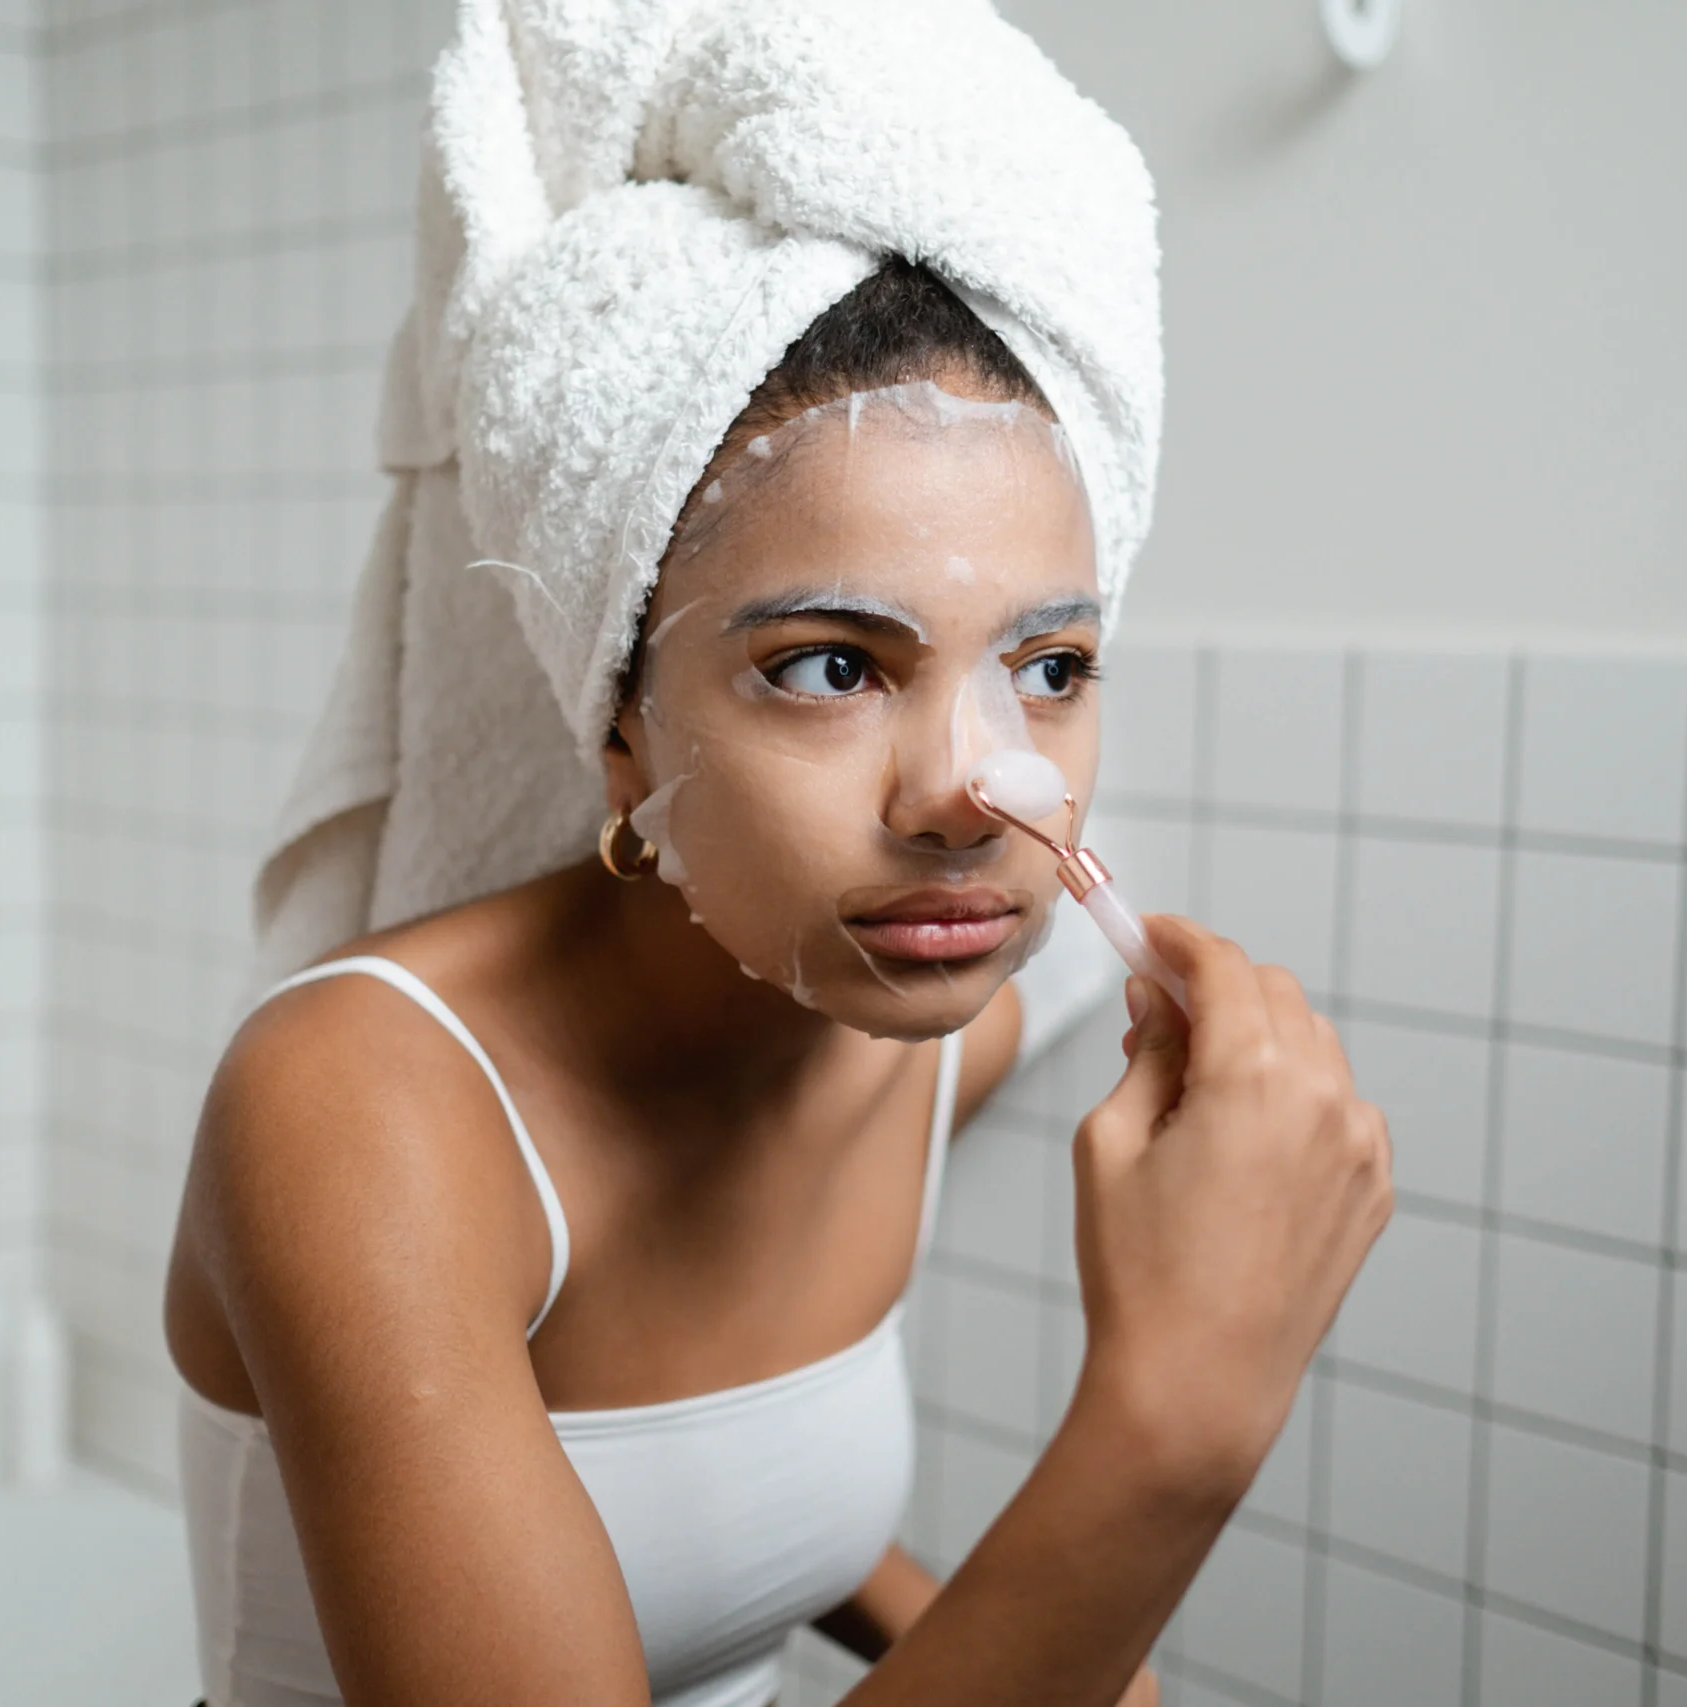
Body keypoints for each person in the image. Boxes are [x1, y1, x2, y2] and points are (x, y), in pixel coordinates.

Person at [162, 7, 1394, 1706]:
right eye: (832, 663)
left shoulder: (923, 1033)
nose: (975, 792)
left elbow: (721, 1521)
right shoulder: (357, 1110)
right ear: (621, 718)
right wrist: (1176, 1422)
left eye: (1049, 665)